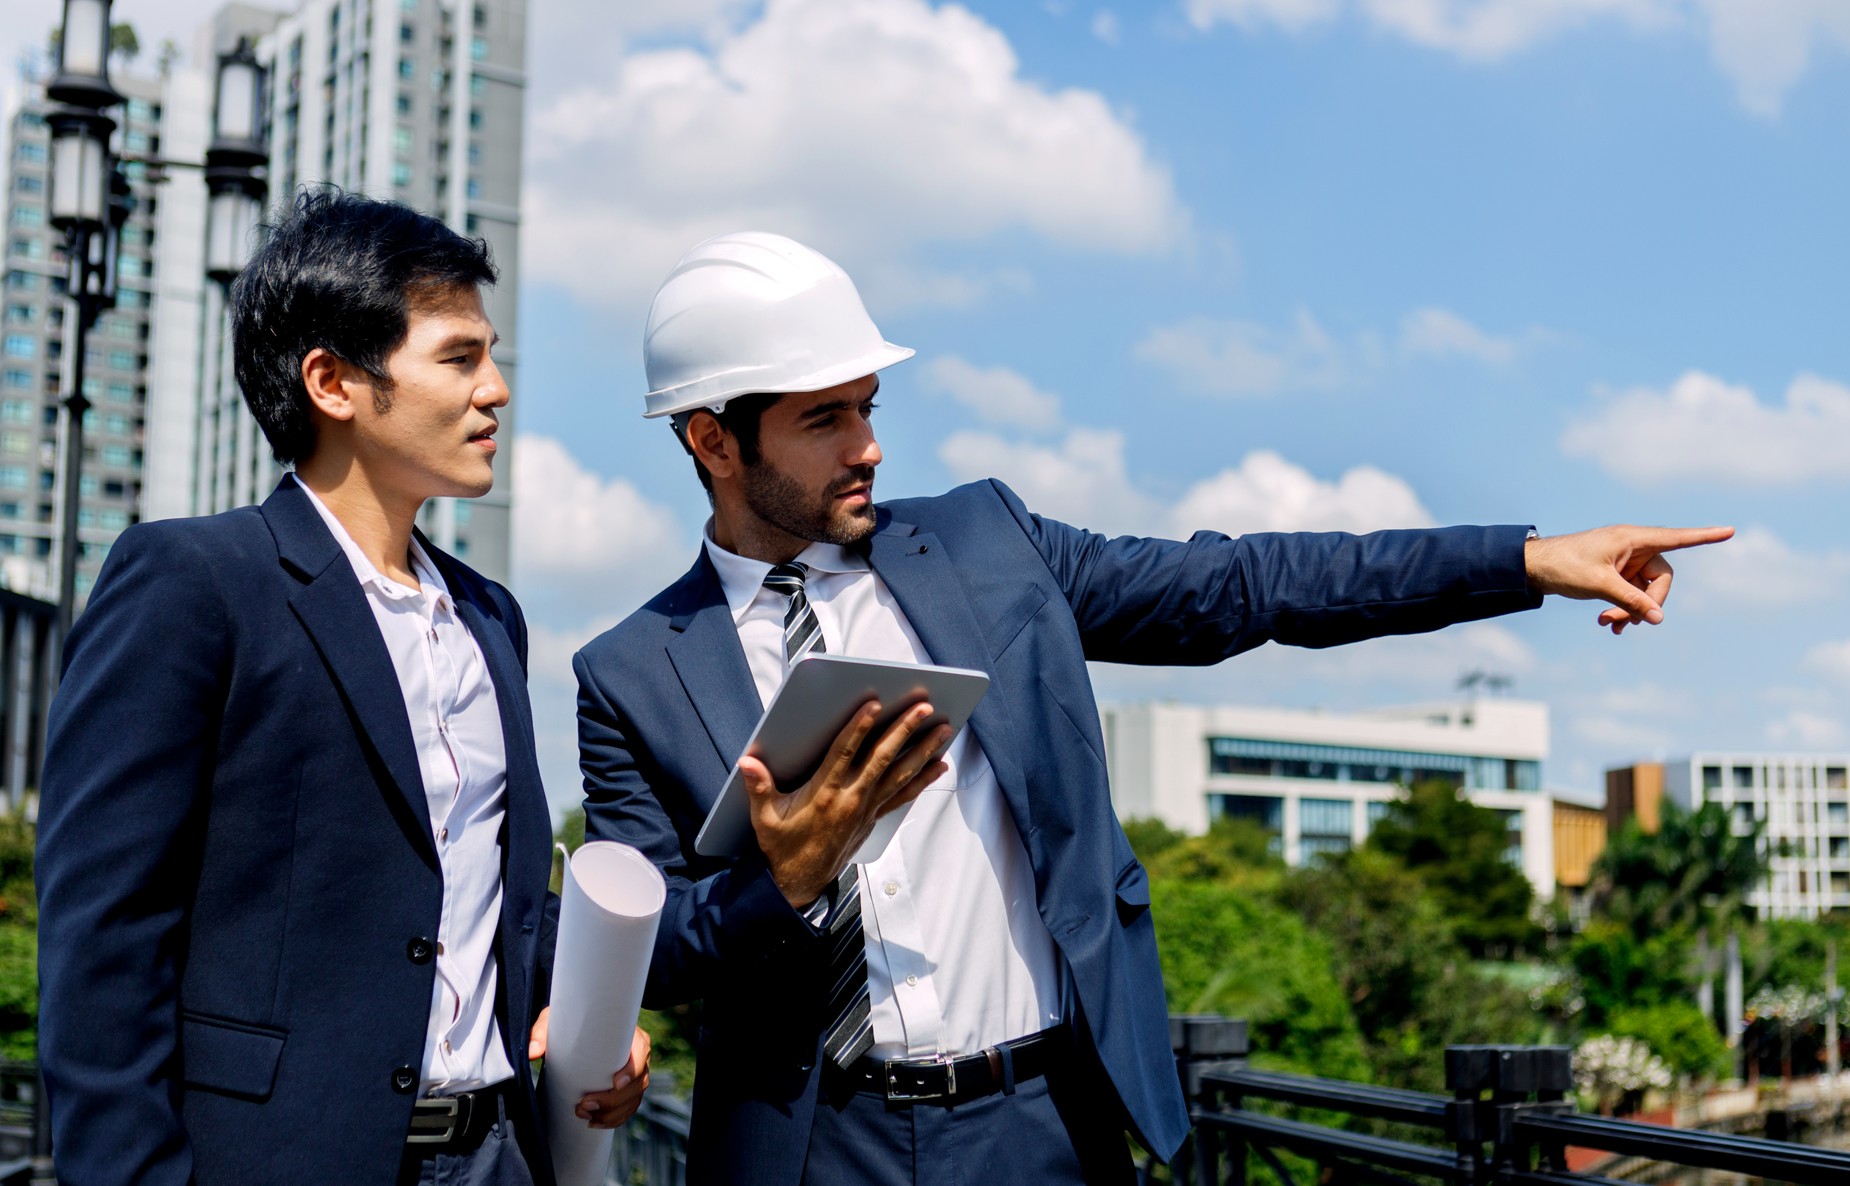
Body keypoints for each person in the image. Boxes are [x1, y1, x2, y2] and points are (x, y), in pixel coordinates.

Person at [572, 231, 1730, 1186]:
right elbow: (649, 951)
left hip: (1040, 1130)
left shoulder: (989, 545)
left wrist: (1526, 559)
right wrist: (783, 877)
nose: (870, 445)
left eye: (869, 406)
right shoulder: (627, 671)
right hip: (809, 1147)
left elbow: (1246, 587)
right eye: (825, 418)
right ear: (714, 440)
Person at [35, 189, 648, 1186]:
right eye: (458, 357)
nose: (495, 389)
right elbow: (102, 940)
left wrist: (577, 1026)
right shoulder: (195, 583)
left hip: (500, 1155)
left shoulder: (492, 618)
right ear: (332, 381)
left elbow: (478, 908)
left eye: (491, 355)